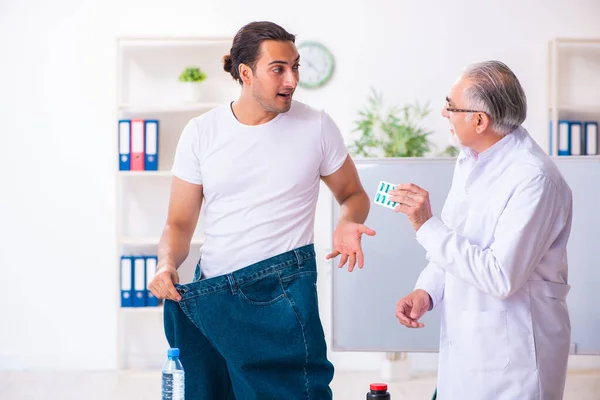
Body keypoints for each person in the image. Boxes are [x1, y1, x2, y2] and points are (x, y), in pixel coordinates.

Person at [148, 21, 375, 400]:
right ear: (245, 73)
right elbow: (178, 223)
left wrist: (349, 222)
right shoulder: (202, 132)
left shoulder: (316, 126)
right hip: (212, 297)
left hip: (281, 297)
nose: (292, 79)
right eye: (279, 69)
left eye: (296, 67)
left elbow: (353, 194)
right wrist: (165, 263)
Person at [391, 60, 573, 399]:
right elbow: (458, 240)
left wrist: (424, 225)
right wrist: (427, 291)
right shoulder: (472, 157)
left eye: (450, 105)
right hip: (469, 348)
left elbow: (500, 276)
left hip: (515, 359)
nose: (444, 113)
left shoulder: (534, 179)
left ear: (479, 120)